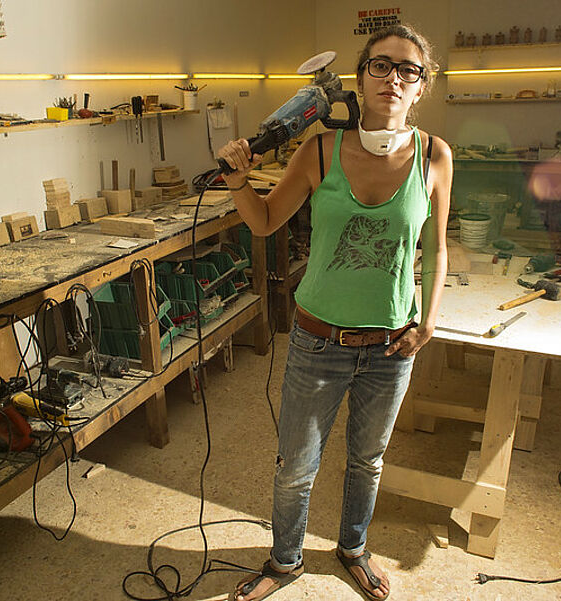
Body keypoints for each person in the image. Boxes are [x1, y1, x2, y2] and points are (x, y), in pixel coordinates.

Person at [217, 23, 452, 601]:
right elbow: (266, 221)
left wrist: (429, 320)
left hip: (392, 344)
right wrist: (237, 182)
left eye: (408, 70)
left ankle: (353, 549)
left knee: (367, 461)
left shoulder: (435, 156)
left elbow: (438, 246)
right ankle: (284, 561)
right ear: (359, 77)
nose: (393, 77)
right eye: (380, 65)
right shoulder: (320, 148)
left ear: (422, 86)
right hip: (318, 339)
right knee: (296, 465)